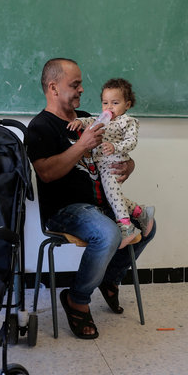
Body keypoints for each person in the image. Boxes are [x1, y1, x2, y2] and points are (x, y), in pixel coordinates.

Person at [26, 58, 156, 339]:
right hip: (65, 210)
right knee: (108, 233)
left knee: (147, 225)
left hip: (100, 203)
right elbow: (46, 173)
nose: (82, 89)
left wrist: (129, 165)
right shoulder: (40, 127)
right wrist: (81, 146)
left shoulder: (89, 116)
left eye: (81, 84)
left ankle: (109, 280)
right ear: (54, 87)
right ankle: (77, 300)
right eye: (75, 85)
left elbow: (117, 152)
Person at [67, 78, 155, 249]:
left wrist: (115, 147)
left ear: (127, 105)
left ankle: (126, 227)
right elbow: (89, 121)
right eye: (105, 103)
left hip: (113, 163)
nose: (109, 108)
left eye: (115, 103)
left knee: (112, 193)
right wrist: (79, 122)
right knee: (112, 195)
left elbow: (132, 142)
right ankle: (140, 212)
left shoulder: (127, 121)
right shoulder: (101, 119)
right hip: (101, 166)